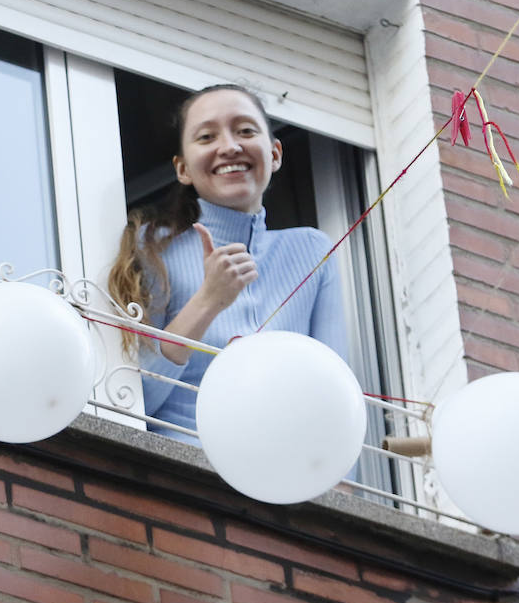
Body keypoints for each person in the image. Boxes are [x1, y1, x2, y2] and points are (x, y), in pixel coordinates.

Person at [108, 84, 348, 438]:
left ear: (275, 153)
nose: (229, 146)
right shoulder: (152, 247)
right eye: (206, 137)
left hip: (283, 478)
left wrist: (333, 489)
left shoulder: (313, 250)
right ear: (183, 169)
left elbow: (335, 398)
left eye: (246, 131)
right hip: (184, 469)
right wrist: (209, 300)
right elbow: (133, 401)